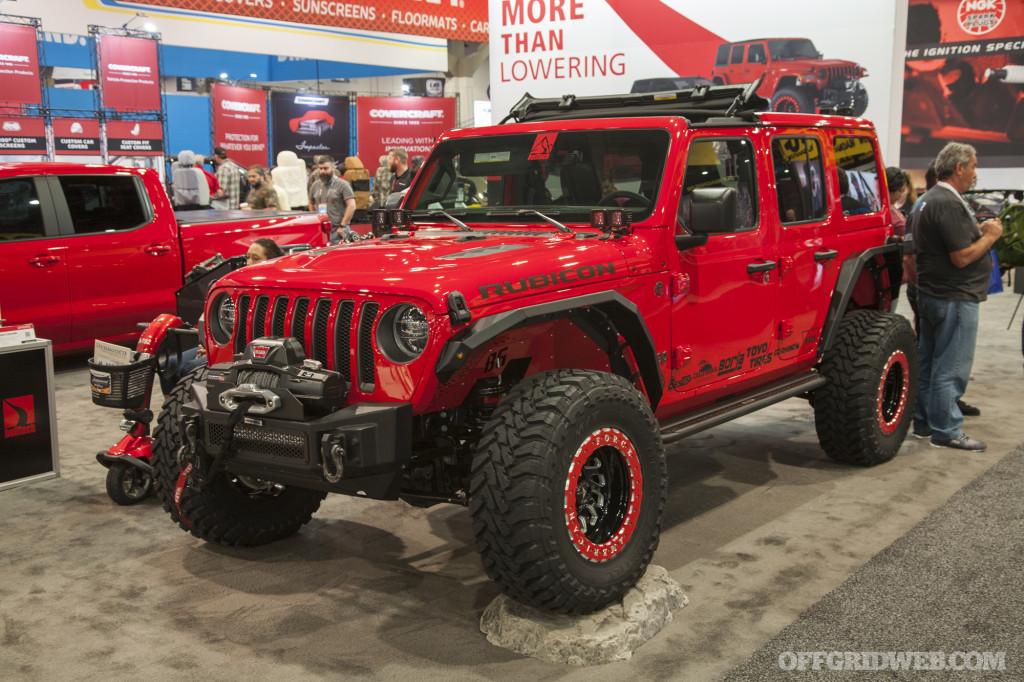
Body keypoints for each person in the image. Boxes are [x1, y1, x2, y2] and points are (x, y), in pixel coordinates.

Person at [911, 142, 1002, 451]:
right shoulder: (947, 202)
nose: (975, 175)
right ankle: (947, 430)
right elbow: (961, 257)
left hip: (933, 294)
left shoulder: (926, 201)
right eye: (973, 167)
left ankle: (924, 423)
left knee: (930, 364)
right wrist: (989, 236)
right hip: (954, 296)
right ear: (959, 167)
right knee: (951, 367)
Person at [158, 239, 285, 397]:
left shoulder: (275, 292)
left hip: (241, 351)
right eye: (247, 257)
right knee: (167, 365)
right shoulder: (235, 287)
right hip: (218, 345)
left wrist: (214, 351)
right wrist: (208, 346)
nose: (249, 262)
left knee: (188, 368)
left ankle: (187, 411)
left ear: (272, 260)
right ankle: (172, 412)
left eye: (256, 258)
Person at [308, 155, 356, 245]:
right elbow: (311, 201)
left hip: (338, 231)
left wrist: (342, 226)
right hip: (322, 232)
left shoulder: (343, 184)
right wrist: (315, 218)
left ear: (333, 168)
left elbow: (352, 206)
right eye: (320, 168)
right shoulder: (316, 184)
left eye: (325, 168)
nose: (322, 171)